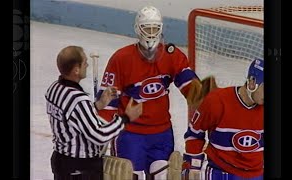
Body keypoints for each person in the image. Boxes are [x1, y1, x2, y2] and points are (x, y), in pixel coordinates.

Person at [96, 6, 203, 179]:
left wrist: (211, 102)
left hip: (162, 134)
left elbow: (192, 89)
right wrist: (100, 136)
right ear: (138, 29)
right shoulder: (121, 59)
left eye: (155, 28)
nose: (151, 33)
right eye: (147, 28)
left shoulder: (172, 56)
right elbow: (107, 104)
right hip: (130, 134)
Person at [45, 45, 142, 180]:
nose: (88, 64)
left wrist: (99, 104)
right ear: (76, 70)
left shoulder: (54, 89)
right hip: (80, 169)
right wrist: (125, 118)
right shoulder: (78, 99)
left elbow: (72, 115)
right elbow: (99, 135)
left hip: (61, 161)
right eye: (84, 62)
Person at [183, 58, 264, 180]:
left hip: (256, 174)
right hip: (221, 173)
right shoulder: (216, 101)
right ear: (252, 82)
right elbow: (194, 134)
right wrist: (193, 166)